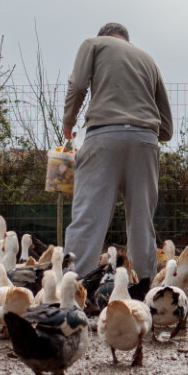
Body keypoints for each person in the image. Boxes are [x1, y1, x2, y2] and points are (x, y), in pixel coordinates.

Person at [62, 22, 173, 282]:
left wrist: (69, 122)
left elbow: (78, 86)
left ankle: (73, 288)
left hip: (104, 136)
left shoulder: (93, 44)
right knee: (142, 222)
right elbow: (166, 127)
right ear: (126, 40)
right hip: (145, 142)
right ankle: (145, 287)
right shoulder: (148, 60)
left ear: (104, 37)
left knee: (89, 217)